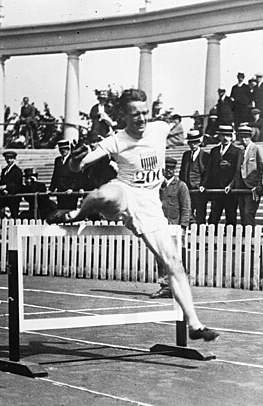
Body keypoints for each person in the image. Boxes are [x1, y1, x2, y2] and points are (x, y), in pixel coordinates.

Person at [48, 88, 219, 342]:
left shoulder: (160, 128)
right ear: (123, 116)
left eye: (143, 112)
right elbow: (78, 166)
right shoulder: (116, 140)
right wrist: (75, 160)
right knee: (100, 196)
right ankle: (75, 215)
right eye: (134, 114)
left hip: (150, 203)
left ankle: (194, 324)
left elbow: (184, 135)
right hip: (125, 191)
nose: (141, 118)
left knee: (173, 262)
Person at [150, 156, 191, 299]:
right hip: (160, 227)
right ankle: (165, 287)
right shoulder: (157, 186)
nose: (169, 171)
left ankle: (178, 288)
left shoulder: (181, 186)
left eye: (171, 168)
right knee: (161, 257)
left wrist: (183, 227)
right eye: (166, 168)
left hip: (175, 228)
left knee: (176, 259)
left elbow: (186, 208)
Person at [200, 125, 241, 227]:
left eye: (228, 135)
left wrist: (231, 185)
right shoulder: (214, 150)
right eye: (223, 135)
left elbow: (238, 171)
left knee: (231, 217)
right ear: (219, 136)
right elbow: (209, 169)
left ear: (232, 137)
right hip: (216, 190)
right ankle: (210, 241)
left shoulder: (237, 151)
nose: (225, 138)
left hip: (230, 191)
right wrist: (204, 184)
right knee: (213, 217)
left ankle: (231, 241)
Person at [233, 125, 263, 227]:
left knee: (248, 214)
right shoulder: (241, 152)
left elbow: (262, 169)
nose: (243, 139)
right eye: (241, 137)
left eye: (246, 137)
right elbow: (237, 171)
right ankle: (245, 239)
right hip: (241, 188)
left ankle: (252, 238)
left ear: (250, 137)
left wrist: (259, 185)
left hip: (252, 189)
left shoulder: (257, 149)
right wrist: (232, 185)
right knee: (242, 214)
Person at [179, 130, 210, 224]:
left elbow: (208, 173)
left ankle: (200, 233)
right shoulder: (186, 155)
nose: (193, 145)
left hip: (199, 190)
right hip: (188, 190)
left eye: (195, 142)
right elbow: (182, 171)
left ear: (199, 142)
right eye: (191, 142)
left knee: (201, 214)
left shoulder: (205, 155)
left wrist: (203, 185)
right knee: (187, 212)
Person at [49, 140, 83, 210]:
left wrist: (72, 188)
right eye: (61, 149)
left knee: (70, 212)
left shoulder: (74, 159)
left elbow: (78, 176)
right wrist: (51, 189)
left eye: (65, 149)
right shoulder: (57, 160)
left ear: (69, 149)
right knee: (61, 211)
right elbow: (55, 175)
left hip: (71, 191)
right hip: (61, 191)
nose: (63, 150)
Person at [0, 150, 23, 218]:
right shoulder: (4, 170)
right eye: (7, 158)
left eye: (11, 158)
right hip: (5, 196)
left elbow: (19, 185)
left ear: (14, 159)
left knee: (14, 215)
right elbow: (2, 183)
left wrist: (7, 187)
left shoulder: (17, 171)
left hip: (14, 197)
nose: (9, 160)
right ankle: (2, 218)